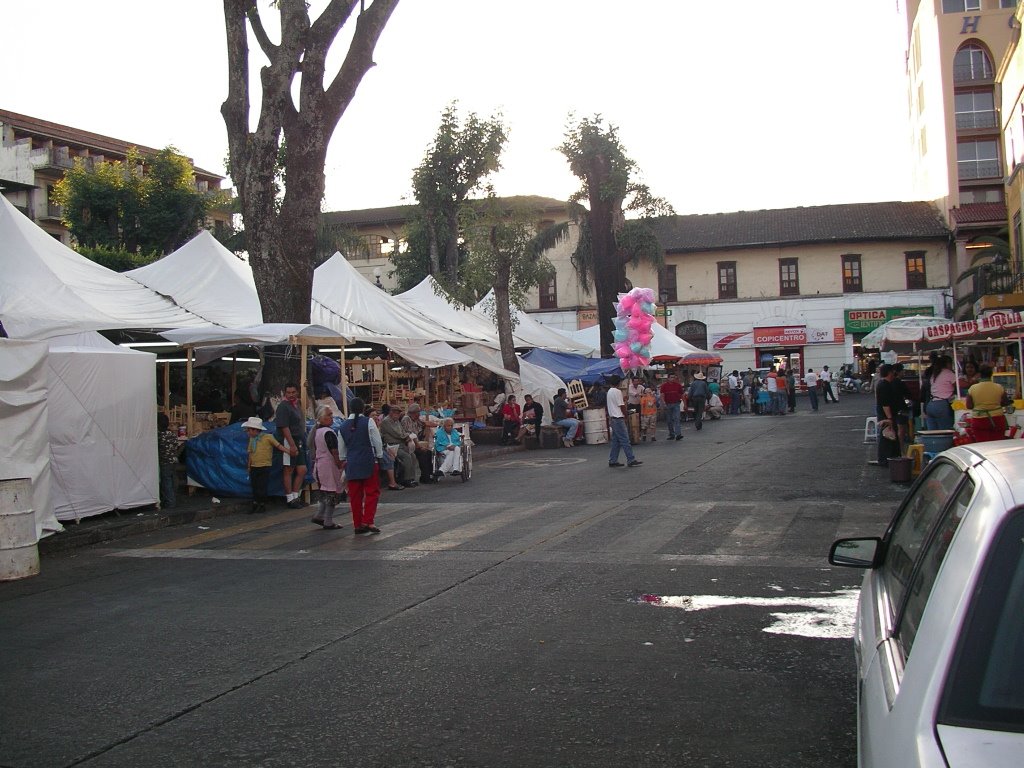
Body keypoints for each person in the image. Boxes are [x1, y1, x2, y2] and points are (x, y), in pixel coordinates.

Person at [337, 397, 384, 534]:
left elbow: (341, 449)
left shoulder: (343, 425)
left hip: (352, 462)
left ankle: (357, 524)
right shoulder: (368, 422)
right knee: (371, 492)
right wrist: (380, 455)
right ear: (363, 408)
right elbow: (377, 440)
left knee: (355, 495)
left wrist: (344, 459)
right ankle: (368, 521)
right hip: (368, 461)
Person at [243, 416, 294, 513]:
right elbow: (250, 453)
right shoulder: (252, 440)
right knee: (255, 486)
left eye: (249, 430)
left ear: (255, 430)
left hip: (264, 466)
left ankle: (261, 503)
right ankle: (256, 502)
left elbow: (278, 446)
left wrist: (288, 451)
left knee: (262, 485)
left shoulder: (268, 437)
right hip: (254, 466)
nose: (248, 432)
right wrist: (249, 465)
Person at [309, 405, 345, 529]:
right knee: (331, 493)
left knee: (325, 492)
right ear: (322, 418)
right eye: (329, 415)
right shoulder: (328, 433)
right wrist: (340, 463)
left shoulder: (317, 431)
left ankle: (319, 515)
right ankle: (328, 520)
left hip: (320, 466)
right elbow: (334, 451)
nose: (332, 417)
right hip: (329, 466)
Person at [275, 382, 308, 509]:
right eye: (288, 393)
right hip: (288, 440)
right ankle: (289, 498)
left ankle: (295, 495)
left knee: (302, 469)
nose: (291, 395)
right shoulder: (283, 407)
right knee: (289, 469)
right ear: (284, 393)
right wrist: (292, 444)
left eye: (293, 392)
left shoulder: (296, 405)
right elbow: (284, 426)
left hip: (298, 439)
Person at [966, 363, 1011, 440]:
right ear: (991, 374)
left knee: (983, 445)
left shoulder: (972, 388)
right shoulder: (999, 387)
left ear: (979, 374)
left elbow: (969, 406)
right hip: (997, 419)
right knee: (998, 444)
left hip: (979, 420)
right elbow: (1006, 402)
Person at [605, 375, 641, 468]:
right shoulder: (617, 392)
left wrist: (624, 399)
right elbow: (622, 406)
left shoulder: (609, 391)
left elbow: (617, 403)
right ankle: (631, 459)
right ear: (619, 382)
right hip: (618, 418)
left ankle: (613, 460)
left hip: (613, 417)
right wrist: (625, 416)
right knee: (625, 440)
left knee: (616, 441)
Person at [871, 364, 902, 467]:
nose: (894, 373)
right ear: (889, 372)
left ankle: (889, 458)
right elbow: (885, 403)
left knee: (888, 437)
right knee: (887, 436)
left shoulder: (883, 384)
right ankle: (886, 459)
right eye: (893, 371)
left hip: (885, 414)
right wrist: (889, 418)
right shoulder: (884, 385)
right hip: (886, 416)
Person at [380, 404, 417, 488]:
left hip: (401, 444)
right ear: (391, 413)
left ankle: (411, 478)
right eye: (396, 413)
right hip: (392, 445)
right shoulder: (386, 421)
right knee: (406, 456)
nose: (397, 415)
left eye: (398, 413)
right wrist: (406, 437)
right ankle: (406, 479)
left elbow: (403, 431)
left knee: (413, 455)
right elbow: (396, 433)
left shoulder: (397, 421)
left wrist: (407, 436)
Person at [401, 403, 437, 484]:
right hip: (408, 443)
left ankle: (427, 475)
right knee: (423, 454)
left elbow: (424, 423)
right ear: (414, 413)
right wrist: (419, 446)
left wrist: (436, 424)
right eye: (418, 412)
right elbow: (410, 435)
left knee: (429, 453)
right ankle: (425, 477)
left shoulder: (416, 420)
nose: (419, 414)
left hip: (416, 442)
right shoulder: (406, 419)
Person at [924, 354, 957, 430]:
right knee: (945, 431)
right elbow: (959, 385)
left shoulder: (935, 374)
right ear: (948, 363)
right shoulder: (948, 373)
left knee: (933, 433)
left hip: (931, 404)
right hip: (942, 405)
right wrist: (973, 381)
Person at [156, 413, 179, 509]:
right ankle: (171, 499)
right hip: (173, 460)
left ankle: (170, 502)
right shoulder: (172, 435)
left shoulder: (159, 436)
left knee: (166, 482)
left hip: (164, 462)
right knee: (172, 479)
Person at [660, 372, 684, 441]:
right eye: (671, 377)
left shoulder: (678, 385)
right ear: (668, 378)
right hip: (668, 404)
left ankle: (678, 434)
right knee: (669, 420)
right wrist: (663, 403)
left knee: (677, 419)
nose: (672, 379)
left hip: (676, 404)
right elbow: (662, 395)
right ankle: (671, 434)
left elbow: (682, 394)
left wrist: (685, 404)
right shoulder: (664, 386)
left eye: (674, 377)